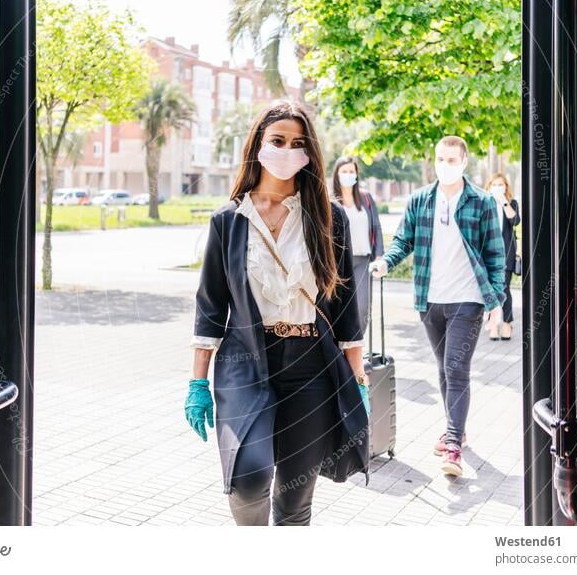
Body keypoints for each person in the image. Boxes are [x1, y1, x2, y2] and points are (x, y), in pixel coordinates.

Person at [185, 100, 371, 526]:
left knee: (294, 497)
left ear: (309, 153)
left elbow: (345, 308)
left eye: (297, 143)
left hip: (310, 365)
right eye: (278, 140)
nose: (287, 149)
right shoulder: (228, 221)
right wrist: (197, 381)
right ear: (258, 144)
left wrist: (358, 379)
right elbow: (210, 307)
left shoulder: (329, 218)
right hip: (245, 362)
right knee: (248, 479)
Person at [371, 135, 505, 478]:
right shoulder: (421, 200)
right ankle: (453, 428)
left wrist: (498, 300)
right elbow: (405, 239)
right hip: (429, 301)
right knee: (445, 369)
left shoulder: (482, 202)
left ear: (463, 163)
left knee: (456, 370)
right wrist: (387, 261)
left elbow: (495, 255)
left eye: (451, 160)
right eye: (439, 159)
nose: (444, 165)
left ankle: (454, 446)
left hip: (468, 300)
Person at [331, 156, 385, 333]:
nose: (348, 175)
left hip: (363, 261)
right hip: (337, 262)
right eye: (344, 171)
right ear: (337, 174)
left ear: (356, 174)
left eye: (351, 171)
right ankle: (339, 352)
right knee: (338, 307)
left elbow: (376, 226)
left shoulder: (366, 198)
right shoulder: (330, 200)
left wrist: (379, 256)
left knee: (362, 307)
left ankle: (357, 348)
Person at [485, 173, 520, 340]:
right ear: (489, 186)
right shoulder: (485, 203)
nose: (498, 187)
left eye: (501, 184)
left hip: (506, 253)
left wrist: (504, 202)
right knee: (490, 290)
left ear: (506, 186)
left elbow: (515, 221)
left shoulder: (511, 203)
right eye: (495, 184)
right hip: (488, 254)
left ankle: (506, 323)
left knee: (504, 288)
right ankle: (493, 323)